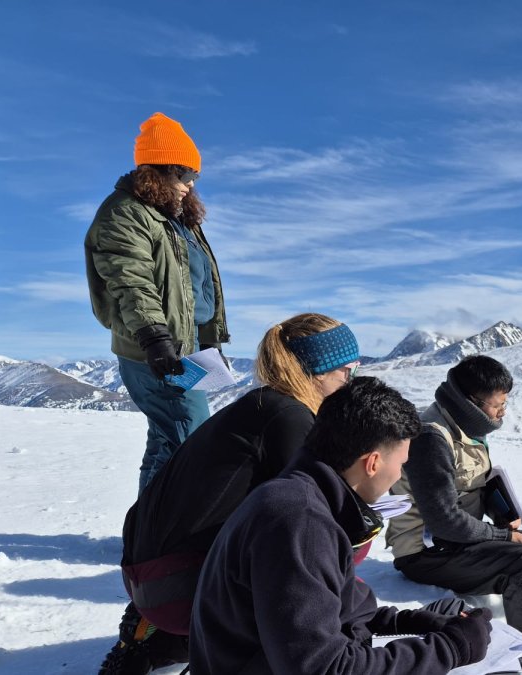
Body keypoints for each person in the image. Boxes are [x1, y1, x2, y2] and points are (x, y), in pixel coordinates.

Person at [98, 314, 361, 674]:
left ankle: (160, 639)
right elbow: (315, 523)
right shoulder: (289, 418)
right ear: (317, 371)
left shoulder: (263, 406)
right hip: (177, 587)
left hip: (151, 576)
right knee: (338, 540)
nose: (350, 382)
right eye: (346, 371)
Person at [188, 376, 492, 674]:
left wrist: (415, 623)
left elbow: (345, 610)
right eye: (402, 464)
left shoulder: (306, 500)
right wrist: (451, 649)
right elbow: (324, 667)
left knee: (450, 615)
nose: (400, 476)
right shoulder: (301, 522)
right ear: (372, 463)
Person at [385, 355, 522, 673]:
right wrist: (503, 535)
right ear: (471, 401)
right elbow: (443, 519)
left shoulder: (467, 429)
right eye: (497, 405)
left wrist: (502, 512)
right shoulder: (432, 438)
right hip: (424, 553)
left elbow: (471, 488)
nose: (503, 412)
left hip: (456, 544)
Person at [84, 112, 228, 493]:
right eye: (184, 174)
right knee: (187, 439)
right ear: (160, 171)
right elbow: (130, 281)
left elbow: (198, 287)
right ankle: (162, 538)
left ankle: (146, 536)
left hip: (186, 347)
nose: (190, 184)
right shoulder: (125, 214)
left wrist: (209, 342)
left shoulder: (177, 220)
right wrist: (154, 338)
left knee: (168, 437)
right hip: (154, 348)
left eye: (195, 176)